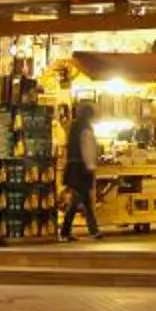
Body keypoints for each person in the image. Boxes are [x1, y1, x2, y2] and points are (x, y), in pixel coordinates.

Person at [58, 103, 101, 242]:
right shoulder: (85, 129)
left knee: (79, 201)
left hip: (74, 167)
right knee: (83, 201)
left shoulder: (74, 127)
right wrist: (91, 166)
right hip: (81, 169)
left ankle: (67, 231)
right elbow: (87, 148)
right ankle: (92, 231)